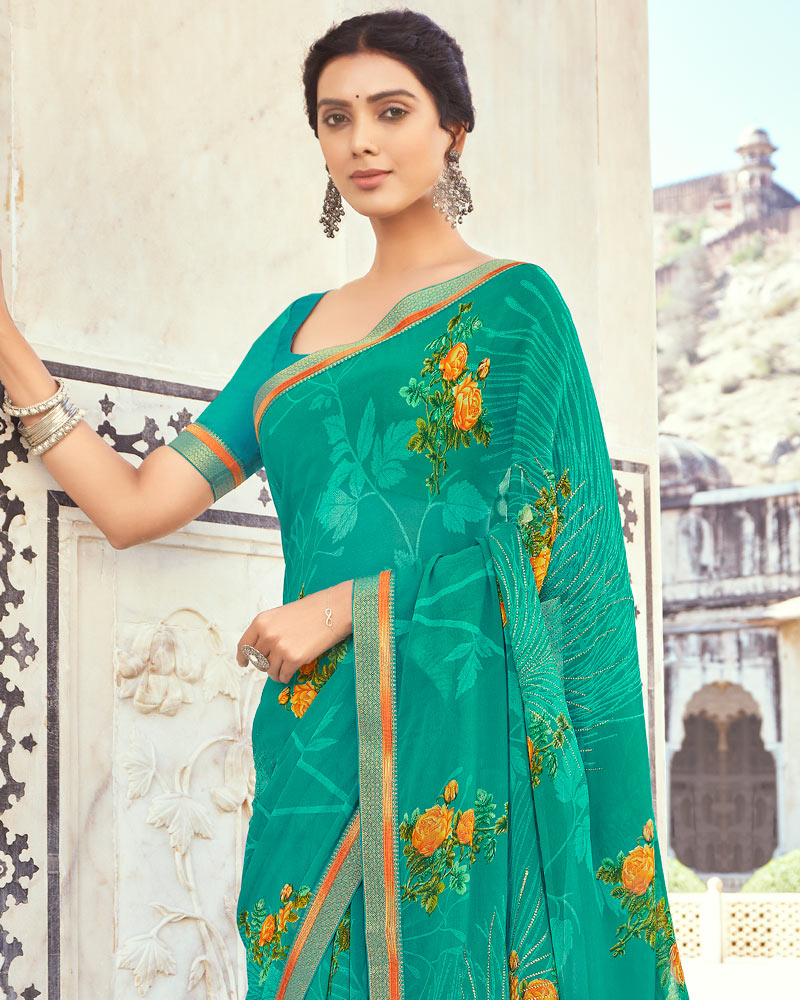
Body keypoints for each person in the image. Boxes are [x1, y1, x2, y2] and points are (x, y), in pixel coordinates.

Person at [0, 8, 690, 1000]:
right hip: (316, 747)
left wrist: (345, 607)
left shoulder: (515, 306)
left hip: (463, 754)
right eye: (335, 118)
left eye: (390, 111)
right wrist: (11, 351)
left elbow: (541, 551)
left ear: (452, 130)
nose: (360, 139)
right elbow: (135, 506)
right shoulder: (293, 336)